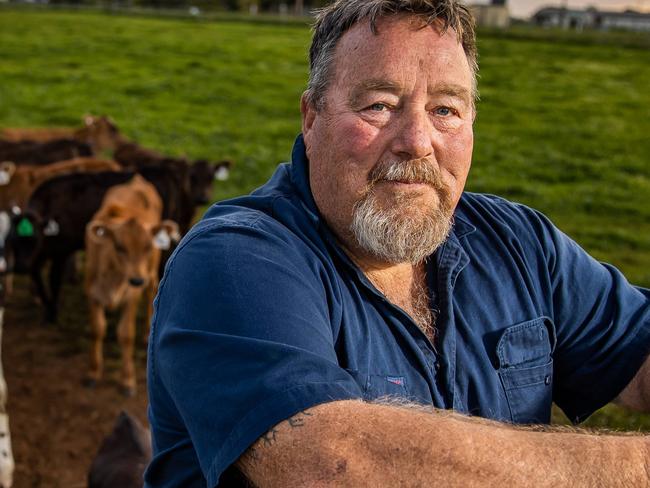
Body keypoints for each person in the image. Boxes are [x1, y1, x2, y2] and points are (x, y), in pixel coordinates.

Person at [144, 0, 650, 486]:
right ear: (312, 118)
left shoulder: (521, 245)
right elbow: (329, 467)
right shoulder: (235, 259)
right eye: (380, 105)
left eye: (446, 109)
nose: (417, 140)